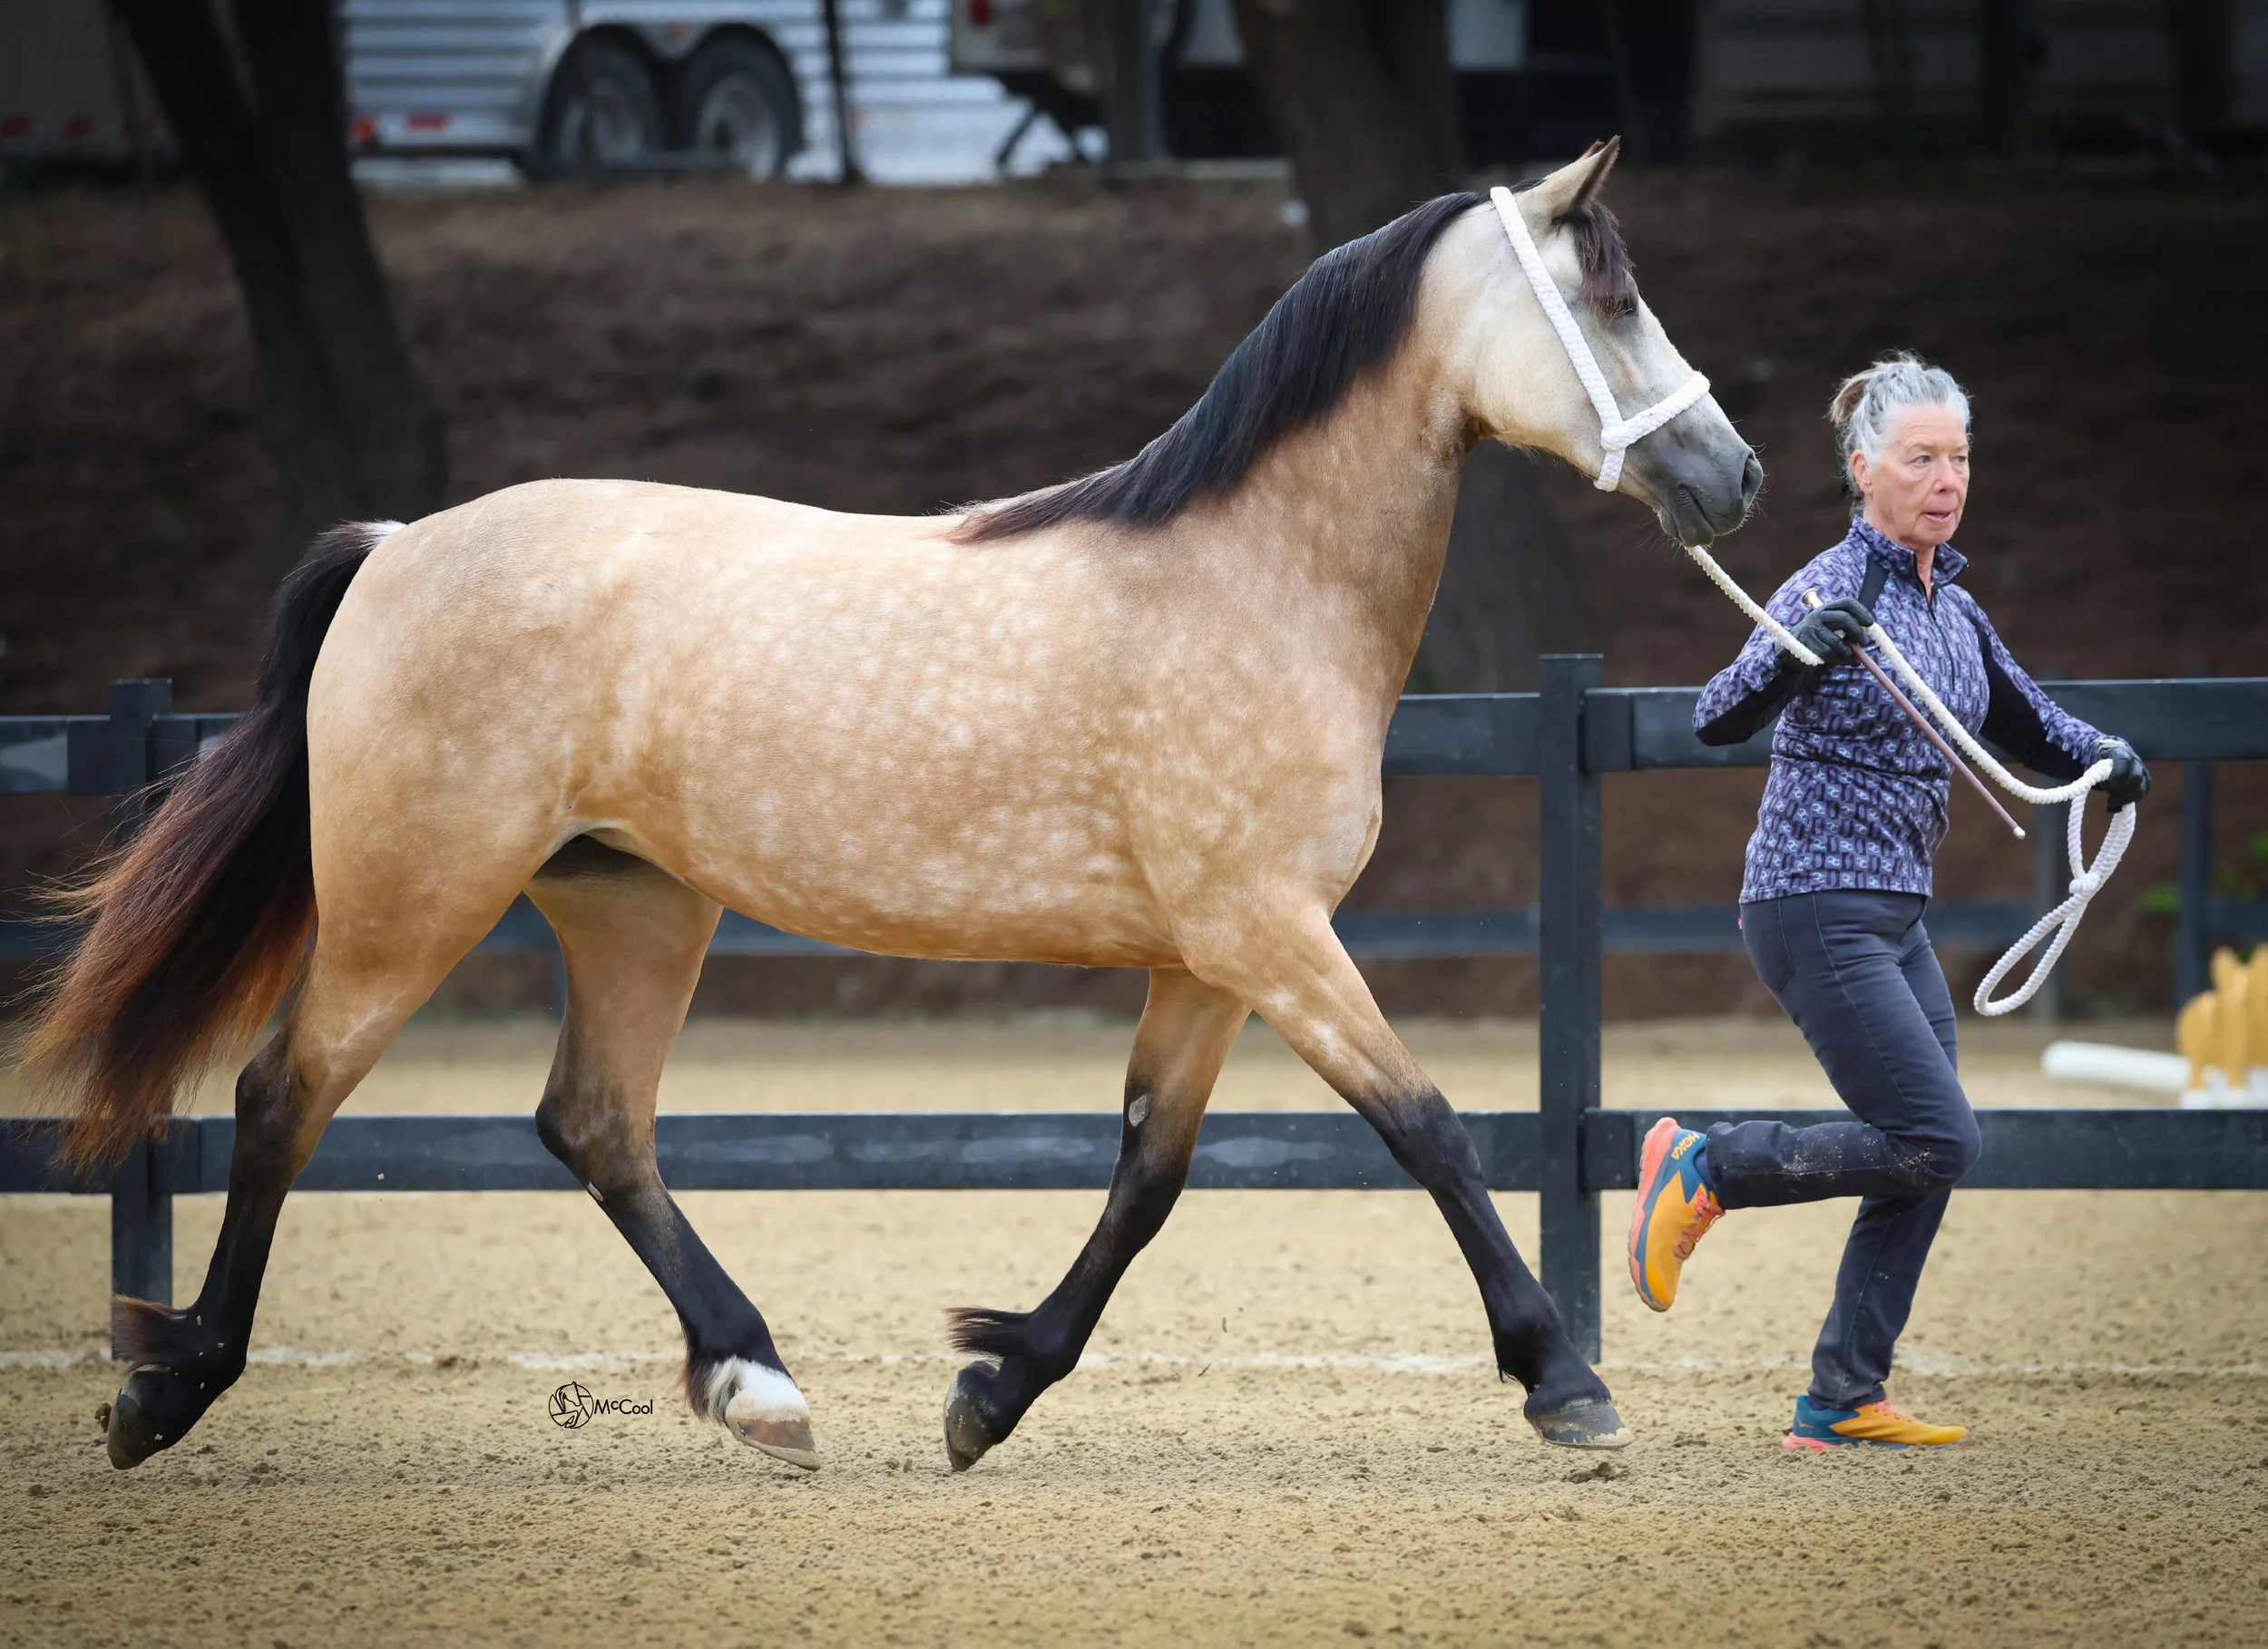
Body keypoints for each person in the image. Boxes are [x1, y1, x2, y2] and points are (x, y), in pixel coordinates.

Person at [1629, 354, 2151, 1450]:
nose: (1944, 478)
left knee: (1920, 1152)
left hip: (1892, 916)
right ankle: (1705, 1165)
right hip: (1812, 901)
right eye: (1920, 458)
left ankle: (1841, 1397)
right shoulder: (1831, 586)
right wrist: (1791, 660)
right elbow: (1714, 716)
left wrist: (2104, 757)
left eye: (1958, 457)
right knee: (1934, 1135)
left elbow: (2026, 722)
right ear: (1862, 467)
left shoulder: (1950, 606)